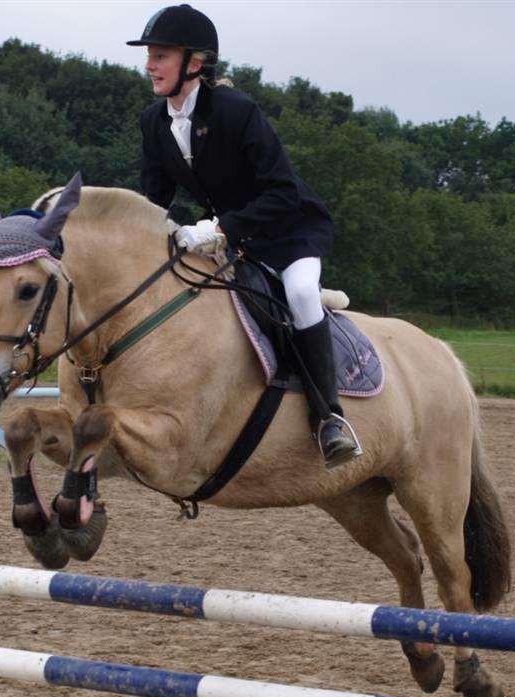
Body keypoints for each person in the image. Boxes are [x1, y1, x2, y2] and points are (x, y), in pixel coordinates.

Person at [127, 4, 361, 468]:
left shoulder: (236, 111)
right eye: (150, 55)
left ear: (194, 62)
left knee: (297, 293)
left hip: (290, 230)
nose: (150, 64)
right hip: (236, 241)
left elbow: (283, 192)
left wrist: (216, 228)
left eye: (161, 55)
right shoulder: (154, 121)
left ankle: (329, 418)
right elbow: (154, 199)